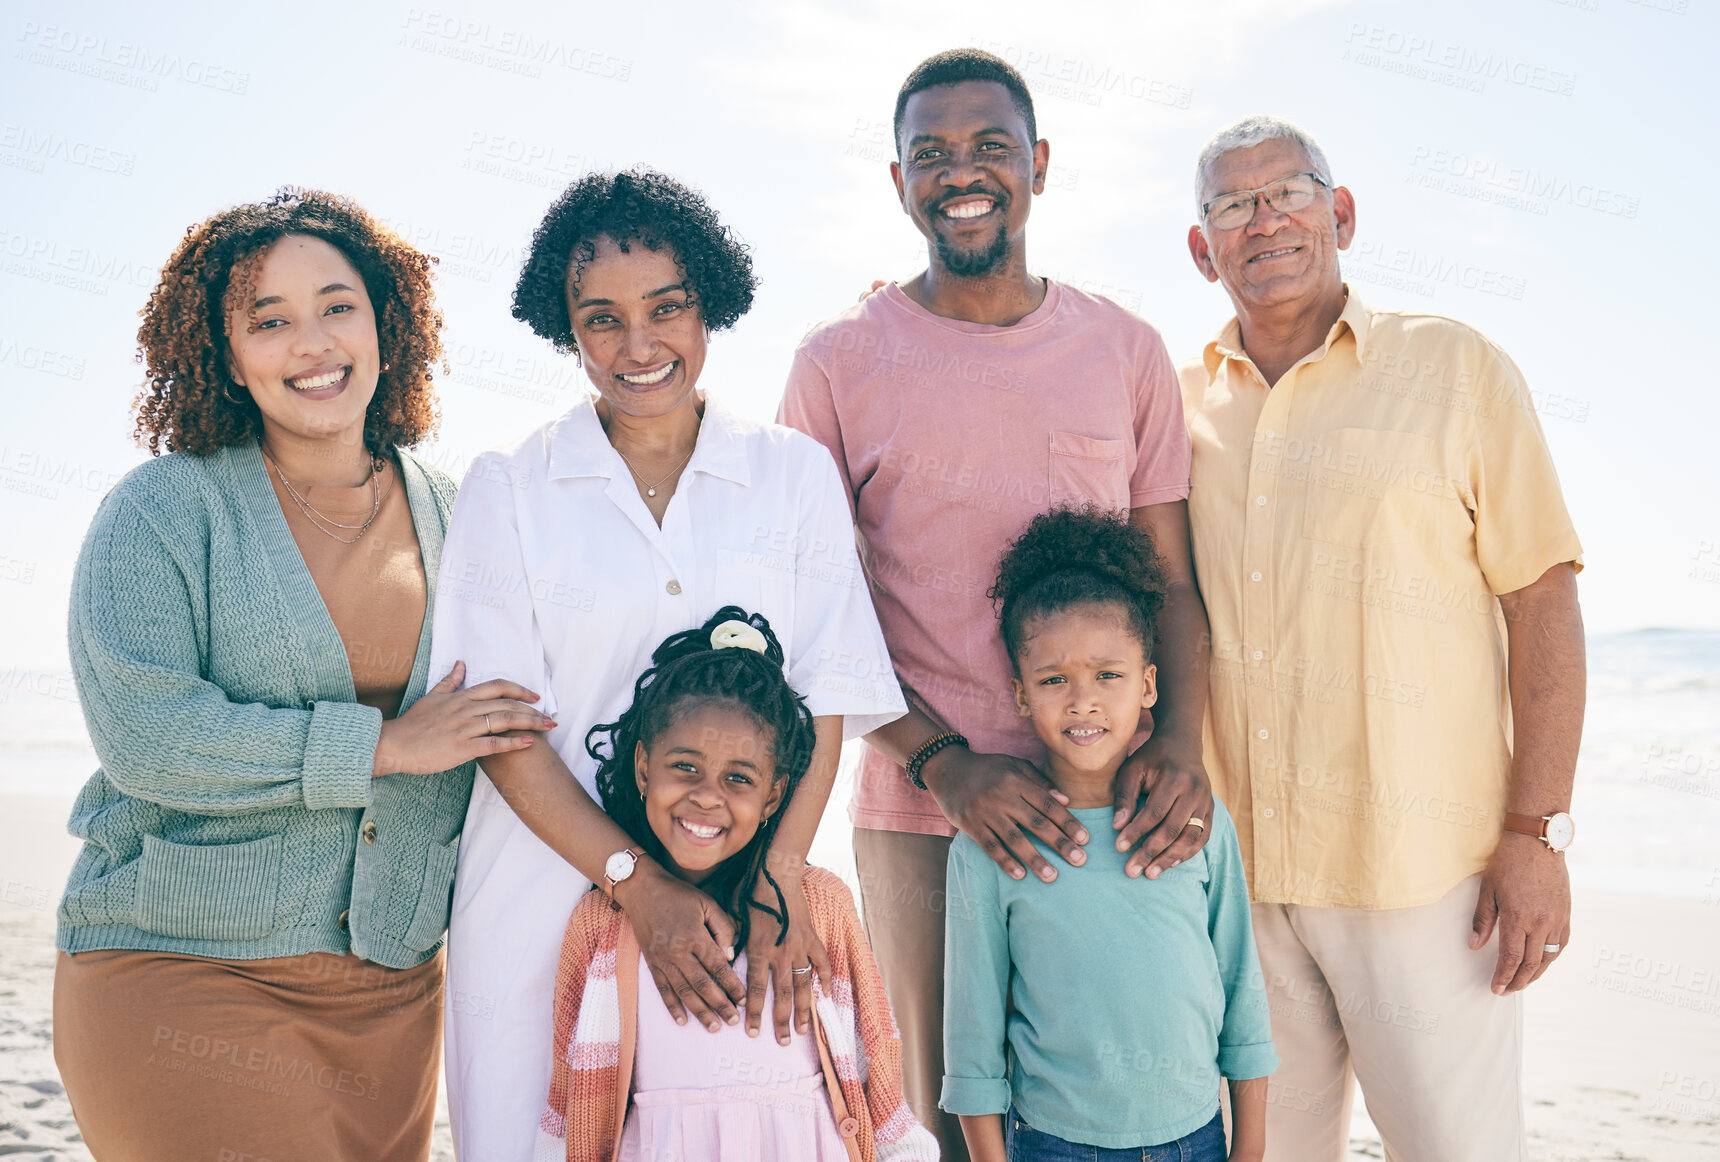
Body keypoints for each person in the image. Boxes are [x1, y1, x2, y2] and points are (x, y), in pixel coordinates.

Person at [52, 188, 553, 1162]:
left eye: (336, 305)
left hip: (393, 993)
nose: (312, 342)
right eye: (268, 320)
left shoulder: (465, 513)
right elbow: (146, 735)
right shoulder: (161, 510)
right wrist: (389, 746)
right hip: (183, 965)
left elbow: (528, 715)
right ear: (223, 351)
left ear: (384, 321)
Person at [779, 49, 1214, 1160]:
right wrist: (943, 763)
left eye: (989, 148)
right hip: (925, 815)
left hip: (1115, 808)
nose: (960, 173)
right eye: (931, 153)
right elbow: (814, 611)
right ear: (897, 182)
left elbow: (1170, 583)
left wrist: (1178, 746)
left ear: (1039, 166)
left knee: (1123, 1103)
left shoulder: (1125, 350)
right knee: (943, 1113)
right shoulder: (835, 364)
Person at [430, 168, 905, 1158]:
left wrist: (777, 875)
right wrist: (636, 884)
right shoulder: (509, 488)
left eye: (667, 308)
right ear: (563, 327)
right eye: (599, 317)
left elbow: (824, 693)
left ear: (710, 306)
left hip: (741, 913)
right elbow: (500, 729)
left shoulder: (790, 474)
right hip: (535, 899)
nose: (637, 345)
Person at [1179, 115, 1586, 1162]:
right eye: (1230, 203)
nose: (1262, 219)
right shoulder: (1175, 411)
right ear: (1200, 247)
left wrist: (1534, 836)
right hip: (1244, 886)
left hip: (1427, 880)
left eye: (1288, 192)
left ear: (1340, 214)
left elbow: (1540, 599)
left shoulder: (1454, 369)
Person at [536, 607, 938, 1162]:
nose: (707, 796)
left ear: (773, 796)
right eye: (685, 767)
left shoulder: (820, 905)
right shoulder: (602, 925)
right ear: (643, 767)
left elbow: (877, 1066)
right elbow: (568, 1097)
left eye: (739, 779)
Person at [941, 507, 1276, 1162]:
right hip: (1054, 1145)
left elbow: (1242, 989)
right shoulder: (990, 845)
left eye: (1108, 675)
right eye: (1054, 680)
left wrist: (1252, 1147)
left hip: (1196, 1140)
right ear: (1019, 695)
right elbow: (973, 1034)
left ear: (1149, 684)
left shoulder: (1195, 821)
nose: (1082, 700)